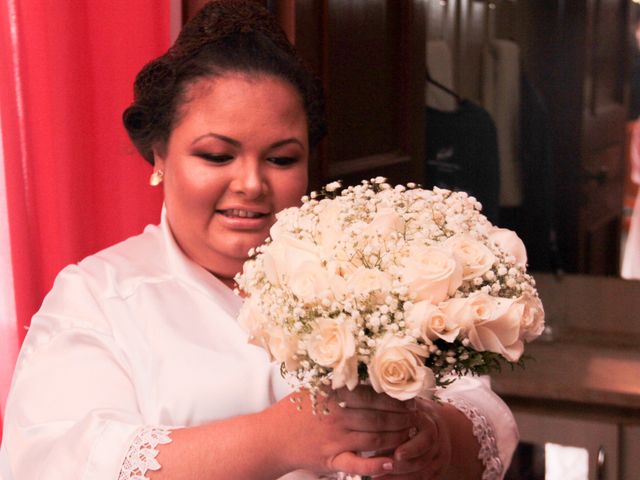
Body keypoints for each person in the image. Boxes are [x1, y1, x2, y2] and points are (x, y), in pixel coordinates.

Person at [0, 1, 518, 478]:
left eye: (281, 158)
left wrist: (434, 439)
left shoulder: (375, 267)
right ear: (159, 155)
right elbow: (57, 461)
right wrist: (280, 438)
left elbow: (482, 414)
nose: (251, 183)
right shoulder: (99, 297)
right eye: (216, 155)